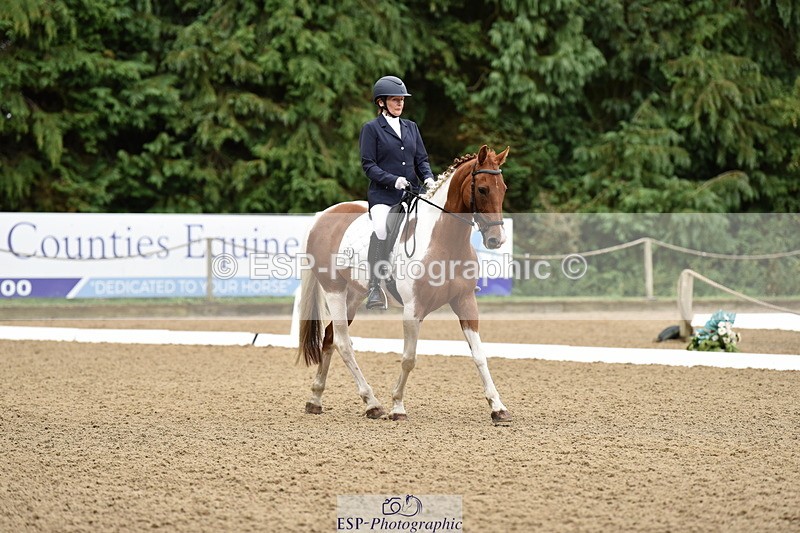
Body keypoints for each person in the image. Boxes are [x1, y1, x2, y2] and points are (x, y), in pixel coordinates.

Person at [359, 75, 436, 310]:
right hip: (384, 196)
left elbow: (421, 159)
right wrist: (393, 181)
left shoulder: (411, 127)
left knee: (436, 223)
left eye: (402, 100)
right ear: (381, 102)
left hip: (412, 193)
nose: (400, 103)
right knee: (381, 228)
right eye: (395, 100)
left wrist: (429, 178)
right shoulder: (372, 129)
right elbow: (369, 165)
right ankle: (375, 286)